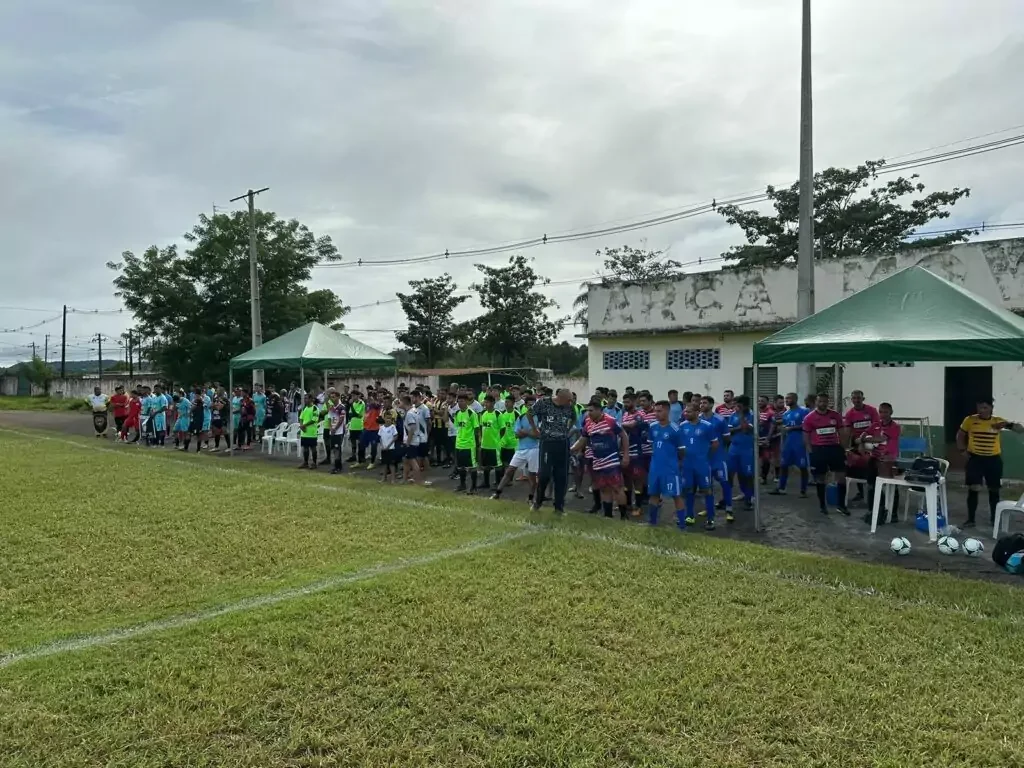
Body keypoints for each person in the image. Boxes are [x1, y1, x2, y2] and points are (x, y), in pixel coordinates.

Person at [957, 397, 1024, 528]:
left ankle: (994, 519)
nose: (982, 410)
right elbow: (960, 435)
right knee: (974, 488)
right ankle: (971, 520)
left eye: (985, 408)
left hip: (993, 460)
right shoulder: (970, 420)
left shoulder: (997, 421)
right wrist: (962, 450)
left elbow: (1020, 429)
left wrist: (1006, 424)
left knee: (994, 490)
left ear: (991, 408)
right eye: (979, 407)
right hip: (975, 459)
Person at [572, 398, 630, 519]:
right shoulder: (588, 424)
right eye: (588, 411)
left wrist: (625, 455)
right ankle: (608, 516)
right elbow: (582, 439)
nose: (589, 413)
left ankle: (624, 516)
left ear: (599, 410)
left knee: (617, 488)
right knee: (604, 488)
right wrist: (571, 449)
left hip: (611, 461)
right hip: (597, 461)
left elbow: (623, 435)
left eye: (591, 410)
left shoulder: (611, 421)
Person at [803, 392, 849, 516]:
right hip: (818, 450)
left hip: (834, 448)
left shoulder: (835, 415)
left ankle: (841, 505)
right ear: (816, 402)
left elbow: (841, 432)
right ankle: (822, 505)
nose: (822, 404)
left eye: (825, 401)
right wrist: (810, 451)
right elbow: (806, 436)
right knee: (820, 478)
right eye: (820, 401)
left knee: (841, 477)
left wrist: (844, 448)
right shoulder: (809, 418)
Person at [532, 388, 576, 513]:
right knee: (544, 475)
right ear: (561, 398)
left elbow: (574, 418)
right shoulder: (544, 402)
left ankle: (559, 507)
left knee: (561, 476)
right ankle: (538, 502)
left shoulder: (569, 407)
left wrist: (567, 430)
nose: (570, 403)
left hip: (562, 444)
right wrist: (535, 429)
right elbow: (530, 413)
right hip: (547, 443)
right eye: (568, 400)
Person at [492, 395, 540, 502]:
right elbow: (517, 434)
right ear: (526, 406)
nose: (531, 407)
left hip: (534, 449)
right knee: (509, 470)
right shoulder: (521, 417)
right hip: (521, 449)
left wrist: (525, 432)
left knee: (532, 475)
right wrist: (530, 432)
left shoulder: (539, 418)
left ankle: (531, 497)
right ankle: (497, 493)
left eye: (533, 405)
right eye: (529, 405)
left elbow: (538, 435)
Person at [645, 400, 685, 526]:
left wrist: (676, 463)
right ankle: (652, 522)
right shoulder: (652, 427)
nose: (656, 413)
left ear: (667, 411)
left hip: (670, 469)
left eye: (659, 411)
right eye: (655, 411)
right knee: (654, 494)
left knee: (676, 495)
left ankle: (682, 524)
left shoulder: (676, 429)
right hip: (655, 468)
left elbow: (682, 451)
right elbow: (652, 445)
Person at [680, 402, 719, 530]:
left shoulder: (707, 426)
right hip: (687, 465)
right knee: (689, 490)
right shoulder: (682, 426)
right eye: (685, 411)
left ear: (697, 413)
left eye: (689, 411)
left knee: (706, 491)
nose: (686, 414)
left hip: (702, 465)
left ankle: (710, 519)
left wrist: (706, 457)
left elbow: (715, 444)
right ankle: (689, 516)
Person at [769, 392, 810, 497]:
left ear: (795, 399)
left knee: (803, 467)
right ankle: (781, 488)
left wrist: (792, 428)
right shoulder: (786, 414)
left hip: (800, 443)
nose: (786, 400)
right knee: (783, 465)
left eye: (789, 398)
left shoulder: (804, 411)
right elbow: (784, 429)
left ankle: (803, 490)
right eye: (786, 399)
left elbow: (807, 426)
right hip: (788, 443)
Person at [844, 390, 880, 504]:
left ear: (863, 399)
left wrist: (867, 440)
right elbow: (848, 432)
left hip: (872, 441)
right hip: (857, 442)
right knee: (857, 465)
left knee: (874, 465)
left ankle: (875, 491)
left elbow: (877, 426)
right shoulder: (849, 414)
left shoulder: (871, 410)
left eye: (858, 398)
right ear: (852, 400)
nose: (856, 400)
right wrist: (847, 447)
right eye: (854, 398)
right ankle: (861, 492)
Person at [725, 395, 756, 517]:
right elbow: (729, 430)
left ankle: (750, 497)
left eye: (738, 404)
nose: (735, 407)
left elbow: (747, 429)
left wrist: (742, 415)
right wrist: (738, 428)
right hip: (734, 447)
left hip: (747, 448)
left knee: (747, 474)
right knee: (731, 472)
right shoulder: (733, 415)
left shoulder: (752, 415)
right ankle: (730, 498)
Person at [620, 392, 648, 514]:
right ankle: (628, 504)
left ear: (634, 402)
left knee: (637, 479)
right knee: (626, 479)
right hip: (625, 451)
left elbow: (632, 425)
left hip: (636, 451)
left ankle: (638, 506)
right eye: (624, 402)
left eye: (628, 402)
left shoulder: (639, 414)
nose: (626, 404)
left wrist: (619, 425)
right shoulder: (624, 414)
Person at [452, 392, 480, 493]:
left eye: (462, 401)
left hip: (469, 444)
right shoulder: (457, 413)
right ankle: (462, 484)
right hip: (459, 444)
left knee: (472, 466)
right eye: (458, 401)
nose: (460, 403)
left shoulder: (472, 413)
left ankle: (473, 487)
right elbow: (457, 427)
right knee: (460, 466)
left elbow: (476, 429)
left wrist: (477, 443)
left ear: (467, 402)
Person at [478, 395, 502, 490]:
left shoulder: (498, 414)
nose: (485, 404)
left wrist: (497, 439)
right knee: (486, 465)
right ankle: (486, 482)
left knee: (497, 465)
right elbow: (481, 427)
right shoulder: (483, 414)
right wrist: (481, 439)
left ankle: (498, 483)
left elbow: (502, 429)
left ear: (492, 403)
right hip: (485, 444)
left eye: (487, 402)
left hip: (494, 445)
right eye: (485, 402)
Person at [297, 394, 321, 469]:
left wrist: (304, 425)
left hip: (312, 432)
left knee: (313, 448)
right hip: (304, 432)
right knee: (305, 448)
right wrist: (301, 425)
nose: (305, 400)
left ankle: (314, 463)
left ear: (311, 399)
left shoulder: (315, 408)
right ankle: (305, 462)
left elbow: (314, 420)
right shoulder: (305, 408)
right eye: (305, 398)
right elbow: (301, 418)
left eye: (306, 398)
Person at [326, 390, 347, 474]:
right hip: (333, 431)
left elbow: (341, 420)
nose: (332, 398)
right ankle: (337, 465)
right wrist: (330, 427)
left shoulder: (341, 407)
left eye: (334, 397)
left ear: (338, 397)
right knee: (334, 449)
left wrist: (335, 428)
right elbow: (329, 418)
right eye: (331, 397)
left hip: (339, 431)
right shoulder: (331, 408)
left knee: (337, 449)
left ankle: (337, 466)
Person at [378, 409, 399, 482]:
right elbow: (380, 438)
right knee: (384, 464)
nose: (388, 420)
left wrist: (389, 445)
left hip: (391, 448)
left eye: (390, 418)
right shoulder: (381, 428)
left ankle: (393, 479)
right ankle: (384, 478)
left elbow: (395, 437)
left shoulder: (393, 427)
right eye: (387, 418)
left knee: (391, 464)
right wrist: (383, 446)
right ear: (384, 418)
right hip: (383, 448)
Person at [348, 391, 366, 466]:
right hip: (352, 425)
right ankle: (353, 455)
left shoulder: (361, 403)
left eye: (354, 396)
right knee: (353, 442)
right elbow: (349, 414)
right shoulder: (354, 403)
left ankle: (361, 458)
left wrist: (351, 405)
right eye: (352, 396)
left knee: (360, 442)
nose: (353, 397)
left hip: (359, 426)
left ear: (358, 396)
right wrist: (353, 414)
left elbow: (357, 414)